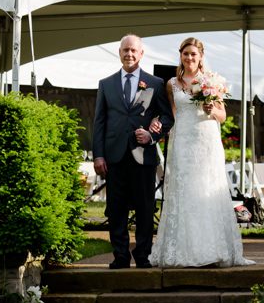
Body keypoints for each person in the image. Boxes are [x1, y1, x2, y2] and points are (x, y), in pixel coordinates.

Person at [148, 37, 254, 268]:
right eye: (186, 54)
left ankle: (212, 249)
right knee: (184, 192)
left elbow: (223, 116)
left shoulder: (210, 81)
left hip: (206, 140)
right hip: (182, 141)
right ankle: (182, 250)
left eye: (193, 54)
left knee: (206, 189)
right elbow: (172, 114)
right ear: (181, 56)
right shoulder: (171, 84)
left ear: (201, 57)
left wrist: (212, 109)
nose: (189, 58)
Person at [93, 34, 173, 269]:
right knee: (116, 208)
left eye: (133, 50)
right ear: (119, 52)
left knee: (145, 208)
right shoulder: (105, 84)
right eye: (125, 50)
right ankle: (120, 256)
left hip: (143, 156)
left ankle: (142, 256)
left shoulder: (155, 83)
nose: (129, 54)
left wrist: (152, 135)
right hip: (114, 156)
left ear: (141, 54)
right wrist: (98, 154)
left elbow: (167, 117)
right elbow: (99, 122)